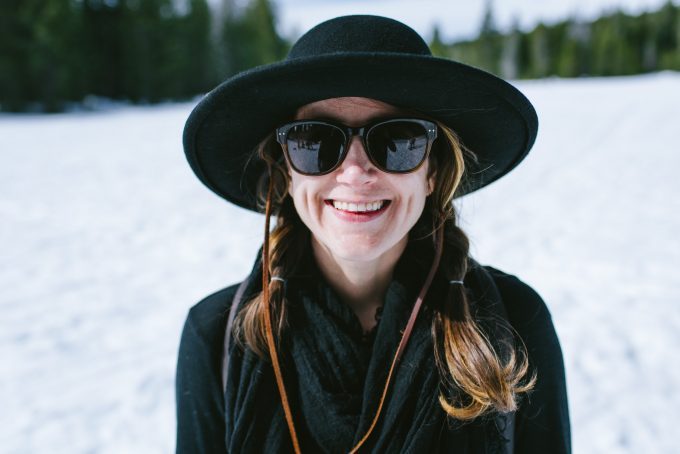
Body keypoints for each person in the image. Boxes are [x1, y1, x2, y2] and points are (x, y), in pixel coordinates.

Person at [176, 15, 571, 454]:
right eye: (315, 141)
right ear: (285, 171)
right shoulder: (216, 337)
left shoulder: (514, 322)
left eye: (398, 140)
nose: (355, 172)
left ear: (432, 171)